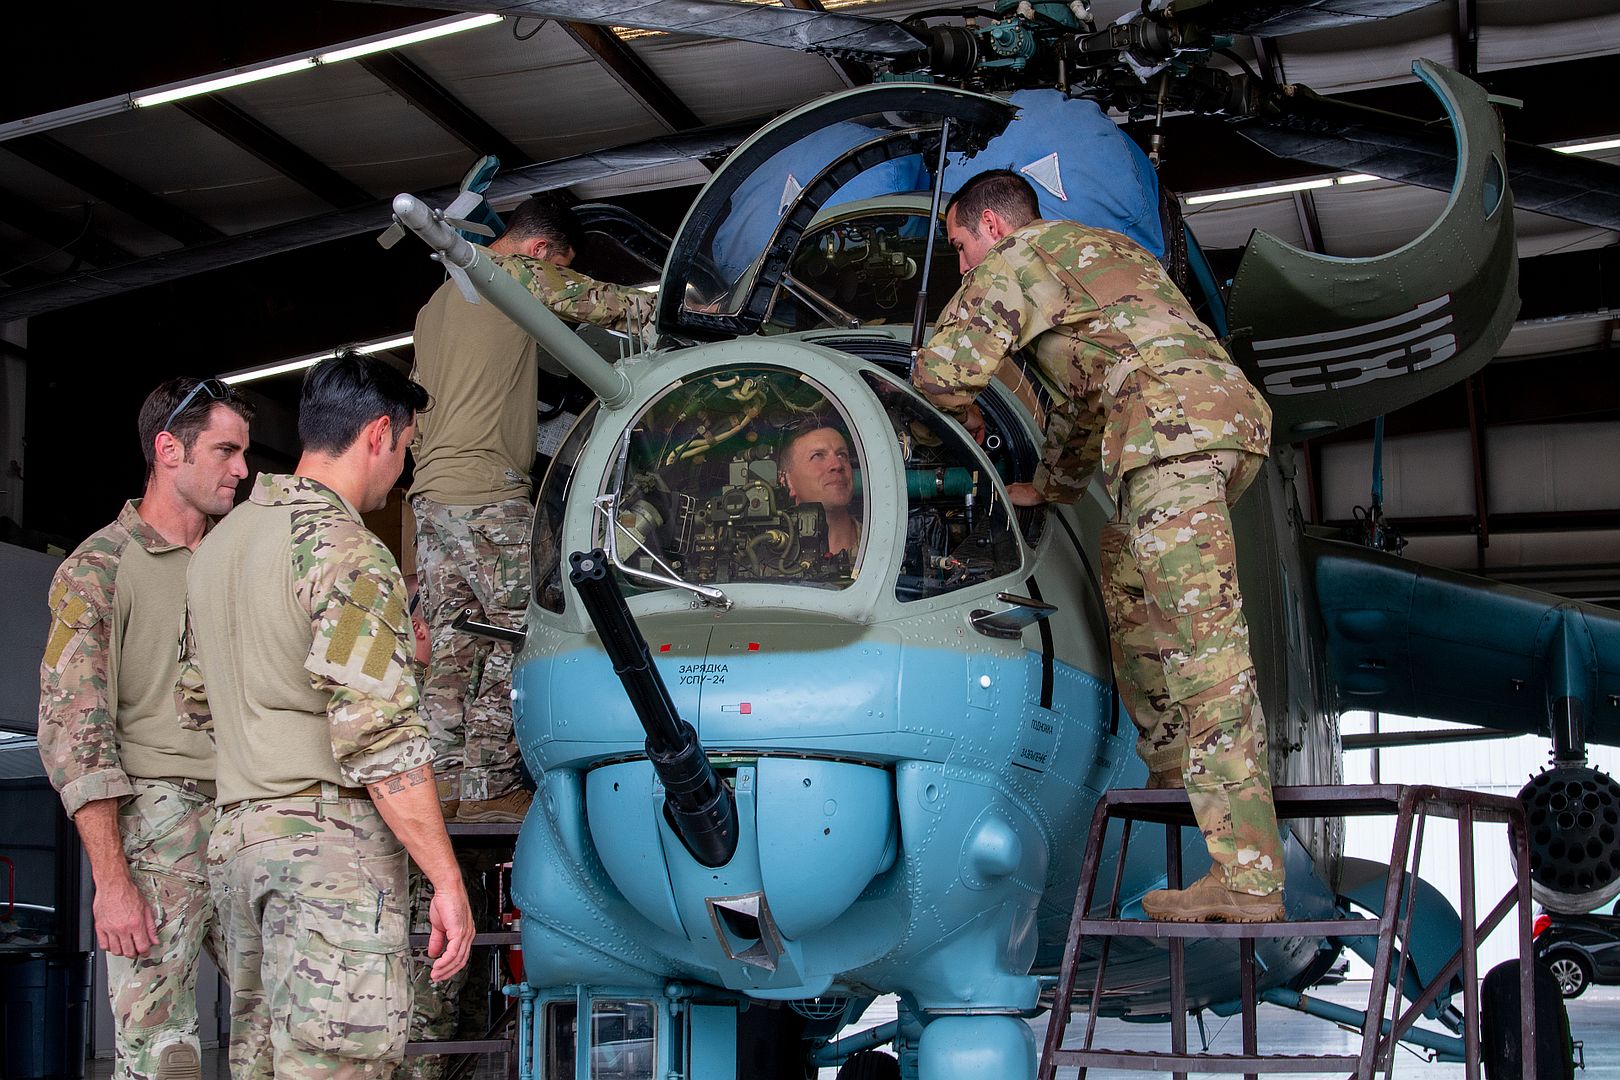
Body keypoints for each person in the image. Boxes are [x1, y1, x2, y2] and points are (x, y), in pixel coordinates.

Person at [911, 170, 1285, 923]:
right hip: (1219, 425)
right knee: (1125, 564)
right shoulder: (1103, 253)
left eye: (959, 246)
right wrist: (1049, 487)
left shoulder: (1017, 260)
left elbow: (941, 371)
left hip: (1171, 438)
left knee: (1202, 646)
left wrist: (966, 420)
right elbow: (1087, 399)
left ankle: (1246, 876)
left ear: (991, 224)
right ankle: (1172, 763)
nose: (962, 265)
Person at [178, 355, 474, 1078]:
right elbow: (381, 740)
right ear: (380, 434)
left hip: (239, 844)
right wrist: (447, 880)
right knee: (343, 1061)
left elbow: (195, 698)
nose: (401, 473)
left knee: (263, 1062)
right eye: (406, 451)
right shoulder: (347, 551)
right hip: (327, 857)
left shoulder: (219, 548)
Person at [411, 194, 655, 823]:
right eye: (559, 266)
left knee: (455, 646)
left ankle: (442, 786)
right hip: (488, 495)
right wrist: (687, 308)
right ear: (541, 251)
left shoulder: (437, 303)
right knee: (525, 636)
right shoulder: (510, 276)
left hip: (433, 495)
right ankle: (490, 786)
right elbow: (610, 304)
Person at [37, 377, 252, 1080]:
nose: (241, 471)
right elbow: (74, 730)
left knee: (294, 1025)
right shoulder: (98, 568)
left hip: (253, 814)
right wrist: (112, 879)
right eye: (225, 451)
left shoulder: (241, 564)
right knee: (166, 1057)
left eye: (243, 453)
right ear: (169, 450)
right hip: (158, 825)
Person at [779, 425, 859, 556]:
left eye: (842, 455)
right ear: (786, 480)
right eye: (818, 456)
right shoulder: (768, 563)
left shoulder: (882, 544)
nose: (837, 465)